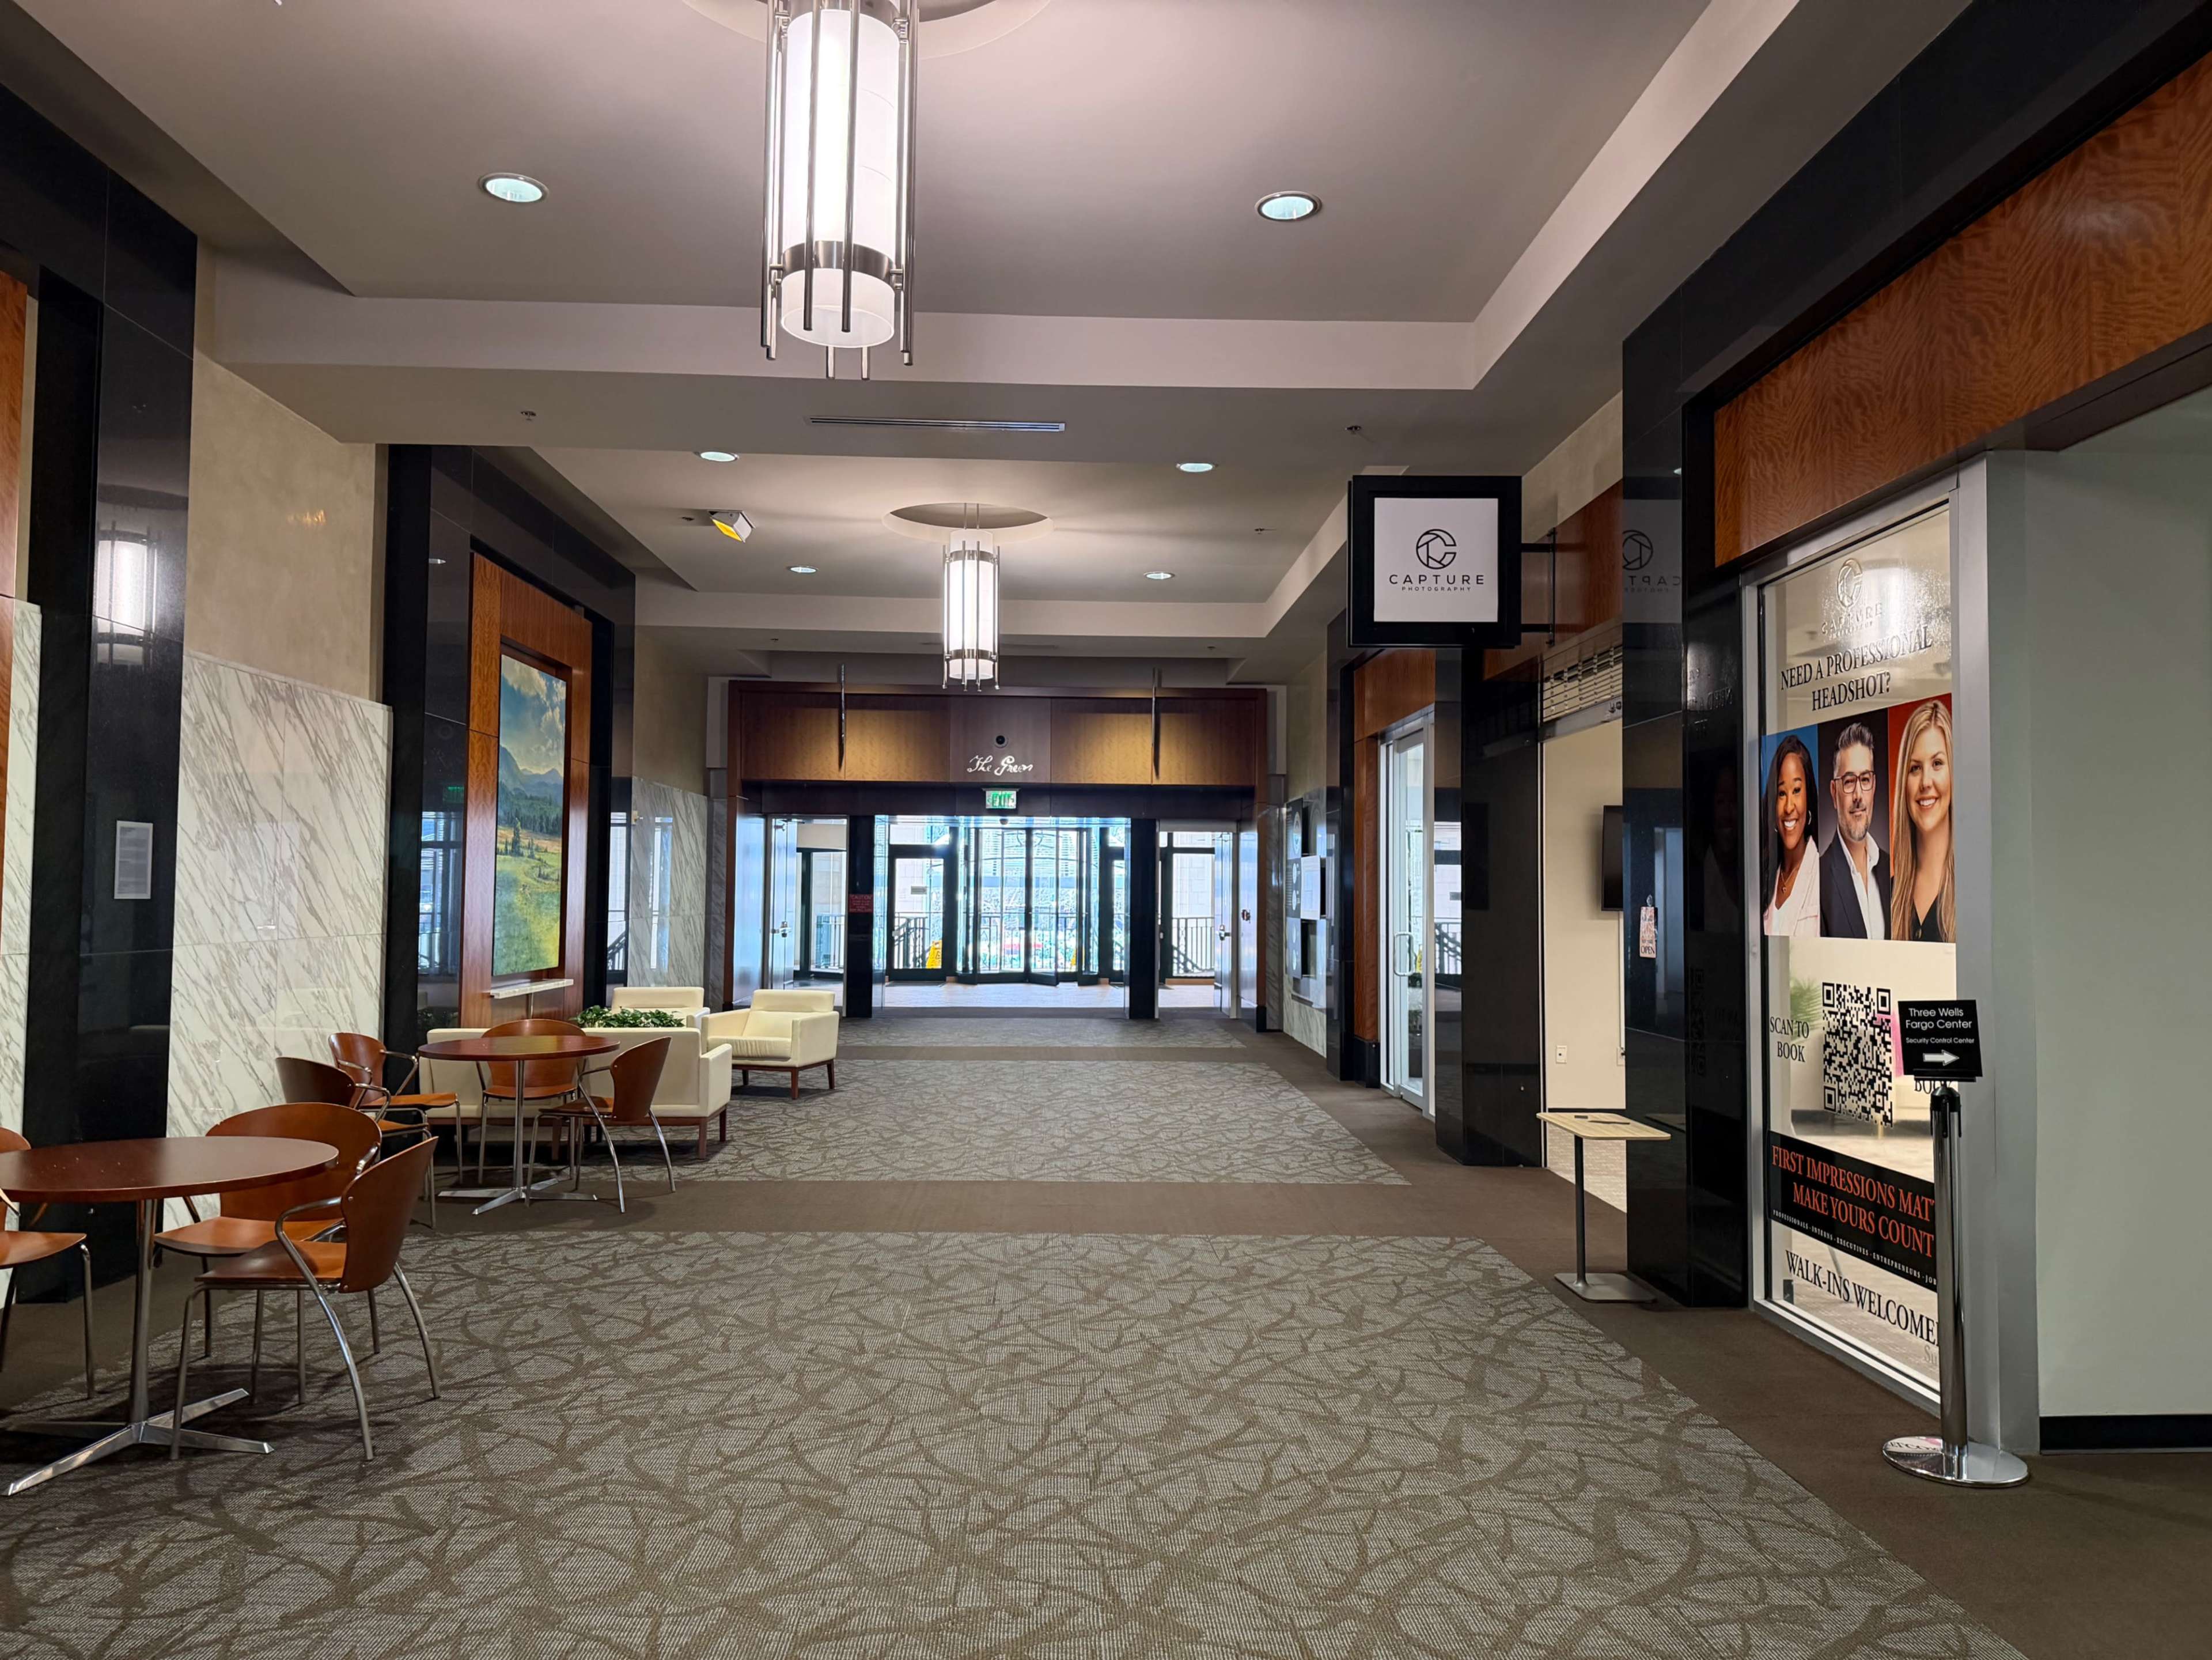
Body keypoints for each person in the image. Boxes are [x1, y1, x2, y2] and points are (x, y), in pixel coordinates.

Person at [1888, 698, 1954, 943]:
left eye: (1937, 764)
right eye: (1915, 768)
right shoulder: (1888, 895)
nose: (1926, 782)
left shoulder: (1975, 888)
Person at [1819, 721, 1890, 937]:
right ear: (1834, 792)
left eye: (1865, 779)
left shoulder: (1893, 869)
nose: (1859, 795)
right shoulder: (1818, 880)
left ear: (1874, 786)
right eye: (1849, 782)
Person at [1761, 735, 1819, 937]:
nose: (1788, 807)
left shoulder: (1822, 873)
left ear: (1808, 796)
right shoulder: (1764, 876)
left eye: (1796, 790)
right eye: (1781, 793)